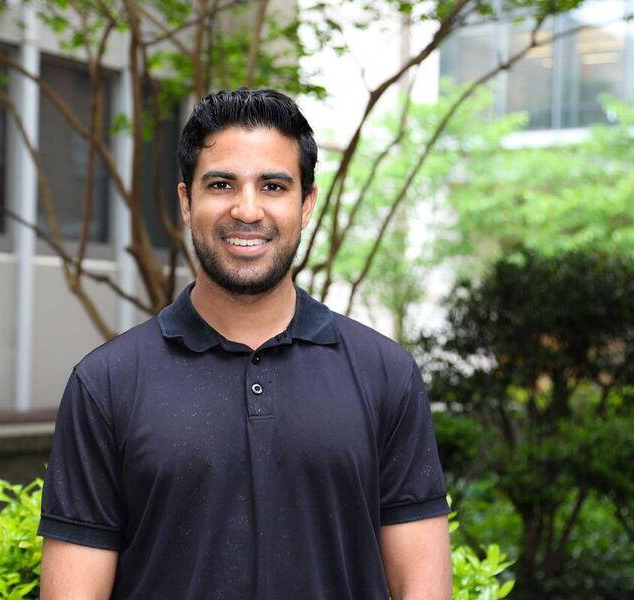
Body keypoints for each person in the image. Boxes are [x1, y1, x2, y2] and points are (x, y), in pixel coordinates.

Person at [38, 88, 452, 600]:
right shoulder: (106, 383)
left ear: (306, 205)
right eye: (221, 184)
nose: (247, 209)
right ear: (187, 202)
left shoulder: (386, 374)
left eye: (274, 185)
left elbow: (423, 585)